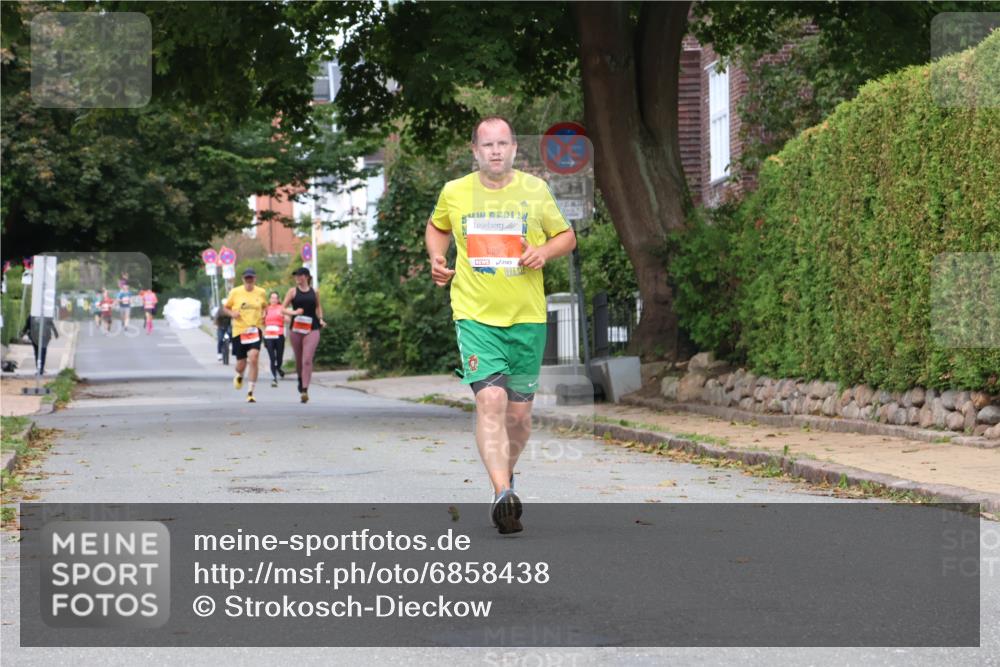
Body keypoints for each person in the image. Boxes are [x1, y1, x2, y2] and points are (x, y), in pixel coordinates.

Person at [426, 115, 576, 534]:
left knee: (519, 419)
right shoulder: (454, 192)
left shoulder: (535, 190)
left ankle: (505, 485)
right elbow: (437, 227)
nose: (495, 151)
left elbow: (567, 236)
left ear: (514, 149)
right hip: (474, 315)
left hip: (526, 319)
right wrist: (437, 259)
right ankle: (500, 493)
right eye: (487, 144)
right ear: (474, 151)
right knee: (490, 400)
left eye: (503, 143)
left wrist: (544, 252)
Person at [222, 268, 268, 403]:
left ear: (255, 279)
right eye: (247, 278)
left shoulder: (261, 292)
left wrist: (265, 313)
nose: (249, 280)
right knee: (241, 364)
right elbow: (226, 308)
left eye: (251, 278)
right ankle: (239, 374)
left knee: (254, 358)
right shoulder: (235, 292)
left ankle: (250, 392)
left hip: (255, 329)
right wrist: (232, 314)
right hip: (240, 331)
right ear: (243, 279)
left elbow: (265, 306)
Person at [282, 267, 326, 403]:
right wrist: (294, 313)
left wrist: (321, 319)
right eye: (296, 276)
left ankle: (305, 390)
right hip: (296, 329)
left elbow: (318, 307)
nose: (297, 278)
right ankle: (300, 379)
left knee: (307, 359)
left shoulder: (314, 292)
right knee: (299, 360)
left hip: (312, 328)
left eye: (300, 276)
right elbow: (282, 309)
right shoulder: (292, 292)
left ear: (306, 277)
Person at [262, 291, 287, 387]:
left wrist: (283, 317)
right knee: (272, 357)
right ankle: (274, 378)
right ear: (269, 299)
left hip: (279, 334)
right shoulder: (266, 309)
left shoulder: (282, 308)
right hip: (268, 336)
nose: (274, 300)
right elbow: (262, 322)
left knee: (279, 357)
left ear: (278, 299)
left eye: (275, 298)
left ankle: (279, 368)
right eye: (272, 298)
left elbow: (288, 319)